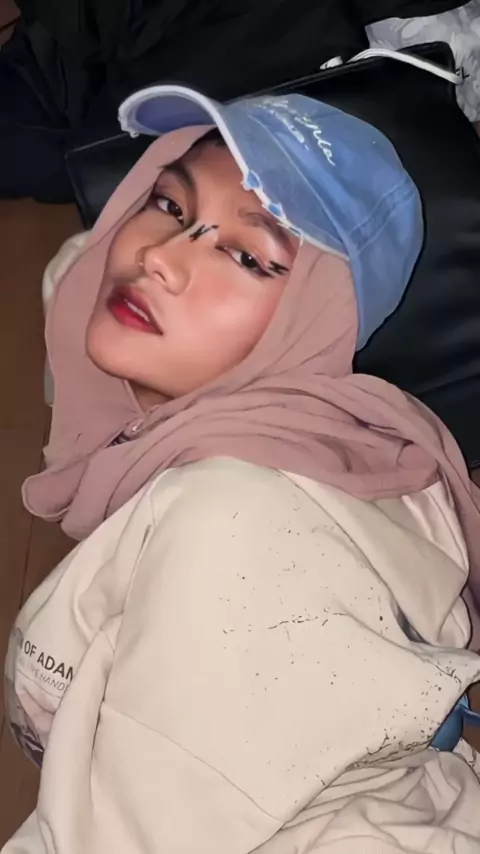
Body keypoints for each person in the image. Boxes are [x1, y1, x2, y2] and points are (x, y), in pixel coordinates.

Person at [4, 87, 480, 853]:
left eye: (247, 256)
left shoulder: (234, 524)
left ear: (315, 320)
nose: (159, 258)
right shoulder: (307, 440)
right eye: (168, 203)